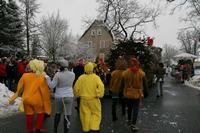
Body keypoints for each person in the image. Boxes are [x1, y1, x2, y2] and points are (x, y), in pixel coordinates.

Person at [9, 59, 51, 133]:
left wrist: (13, 98)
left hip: (27, 99)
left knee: (29, 115)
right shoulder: (41, 77)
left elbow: (19, 89)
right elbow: (44, 91)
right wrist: (47, 103)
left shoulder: (25, 75)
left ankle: (30, 130)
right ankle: (38, 129)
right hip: (38, 100)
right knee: (40, 114)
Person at [46, 59, 75, 133]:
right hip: (69, 96)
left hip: (59, 97)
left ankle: (55, 130)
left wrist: (47, 78)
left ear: (60, 66)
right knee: (67, 115)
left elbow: (52, 86)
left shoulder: (58, 74)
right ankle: (66, 131)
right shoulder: (72, 74)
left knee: (58, 114)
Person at [74, 62, 104, 133]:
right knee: (96, 113)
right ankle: (94, 127)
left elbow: (76, 88)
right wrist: (99, 94)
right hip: (94, 99)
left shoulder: (81, 78)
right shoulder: (96, 77)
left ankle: (86, 129)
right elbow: (101, 86)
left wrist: (77, 95)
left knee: (85, 114)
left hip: (84, 100)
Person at [122, 57, 148, 131]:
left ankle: (129, 120)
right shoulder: (141, 73)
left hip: (128, 92)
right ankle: (133, 124)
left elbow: (122, 83)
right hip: (137, 93)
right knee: (136, 109)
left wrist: (121, 92)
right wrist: (146, 92)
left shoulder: (126, 72)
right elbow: (145, 83)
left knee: (129, 108)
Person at [109, 56, 127, 121]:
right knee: (123, 101)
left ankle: (114, 116)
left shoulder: (114, 73)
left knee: (114, 103)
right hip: (123, 90)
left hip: (115, 90)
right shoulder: (126, 73)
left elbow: (111, 82)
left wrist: (110, 88)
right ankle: (123, 112)